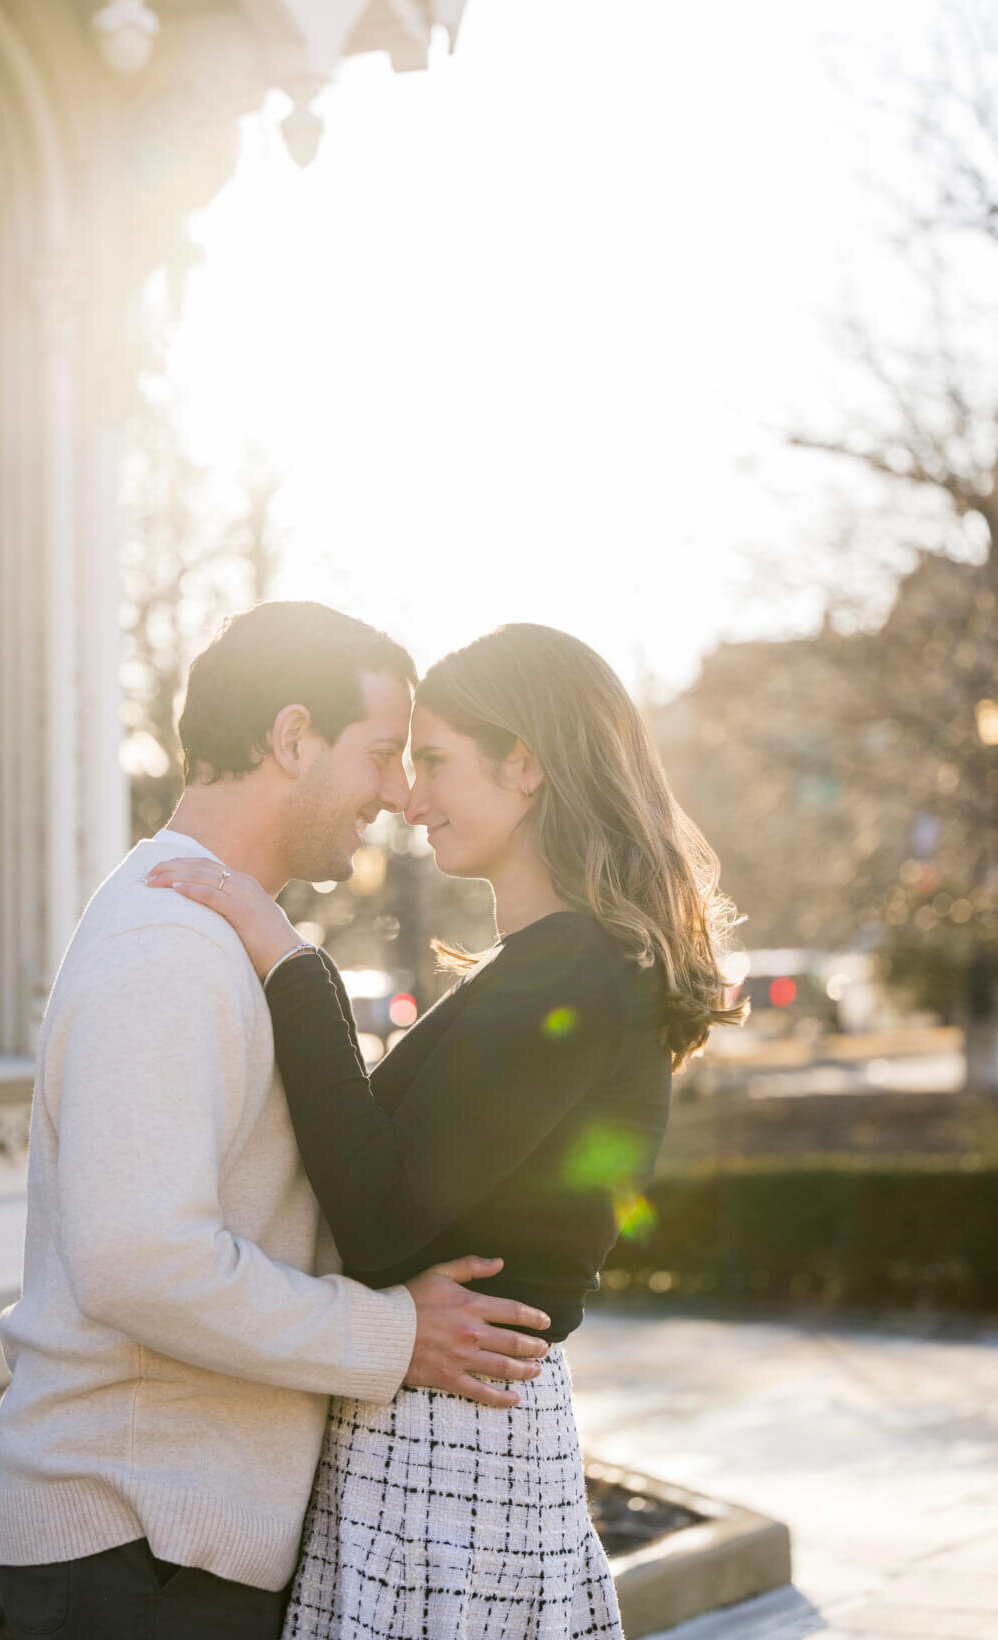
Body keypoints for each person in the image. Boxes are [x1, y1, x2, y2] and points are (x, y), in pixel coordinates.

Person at [146, 620, 746, 1640]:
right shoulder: (554, 965)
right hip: (443, 1423)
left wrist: (292, 964)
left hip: (453, 1441)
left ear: (527, 765)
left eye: (433, 761)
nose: (408, 799)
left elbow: (381, 1215)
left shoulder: (573, 969)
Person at [0, 603, 551, 1640]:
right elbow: (140, 1258)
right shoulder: (169, 947)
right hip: (138, 1552)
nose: (396, 792)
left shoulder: (214, 934)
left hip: (166, 1550)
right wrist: (395, 1335)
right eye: (381, 752)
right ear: (293, 737)